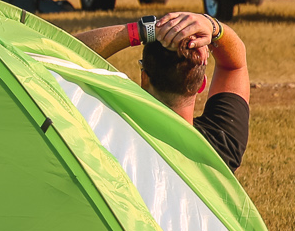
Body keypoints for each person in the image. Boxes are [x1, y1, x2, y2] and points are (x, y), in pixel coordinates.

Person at [75, 10, 252, 171]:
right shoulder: (222, 145)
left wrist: (144, 30)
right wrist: (212, 27)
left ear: (144, 79)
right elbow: (234, 66)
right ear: (201, 85)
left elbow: (56, 54)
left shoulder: (113, 139)